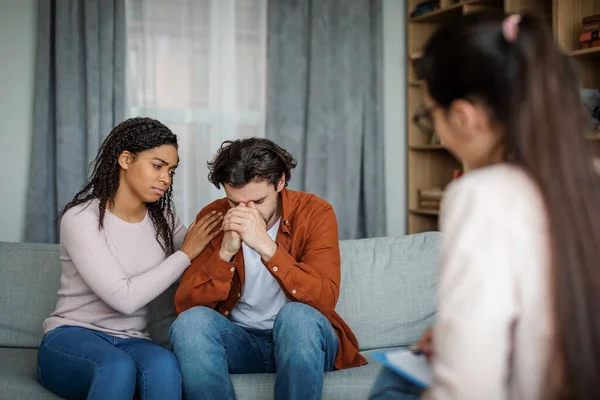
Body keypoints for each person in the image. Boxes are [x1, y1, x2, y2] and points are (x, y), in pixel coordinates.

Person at [370, 11, 600, 400]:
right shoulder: (590, 177)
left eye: (430, 116)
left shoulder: (484, 196)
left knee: (395, 381)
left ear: (464, 116)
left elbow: (468, 389)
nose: (437, 135)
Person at [37, 117, 222, 400]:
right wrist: (185, 255)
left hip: (133, 340)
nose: (166, 178)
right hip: (71, 338)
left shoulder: (166, 222)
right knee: (116, 367)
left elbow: (204, 261)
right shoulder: (81, 218)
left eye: (171, 170)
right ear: (125, 159)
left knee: (165, 365)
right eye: (157, 166)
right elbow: (124, 299)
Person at [169, 137, 366, 400]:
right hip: (242, 343)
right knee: (189, 325)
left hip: (302, 340)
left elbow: (324, 300)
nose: (246, 212)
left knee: (296, 317)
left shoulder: (315, 213)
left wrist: (267, 248)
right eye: (234, 202)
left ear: (280, 182)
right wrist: (225, 252)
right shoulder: (214, 216)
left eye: (258, 202)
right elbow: (186, 307)